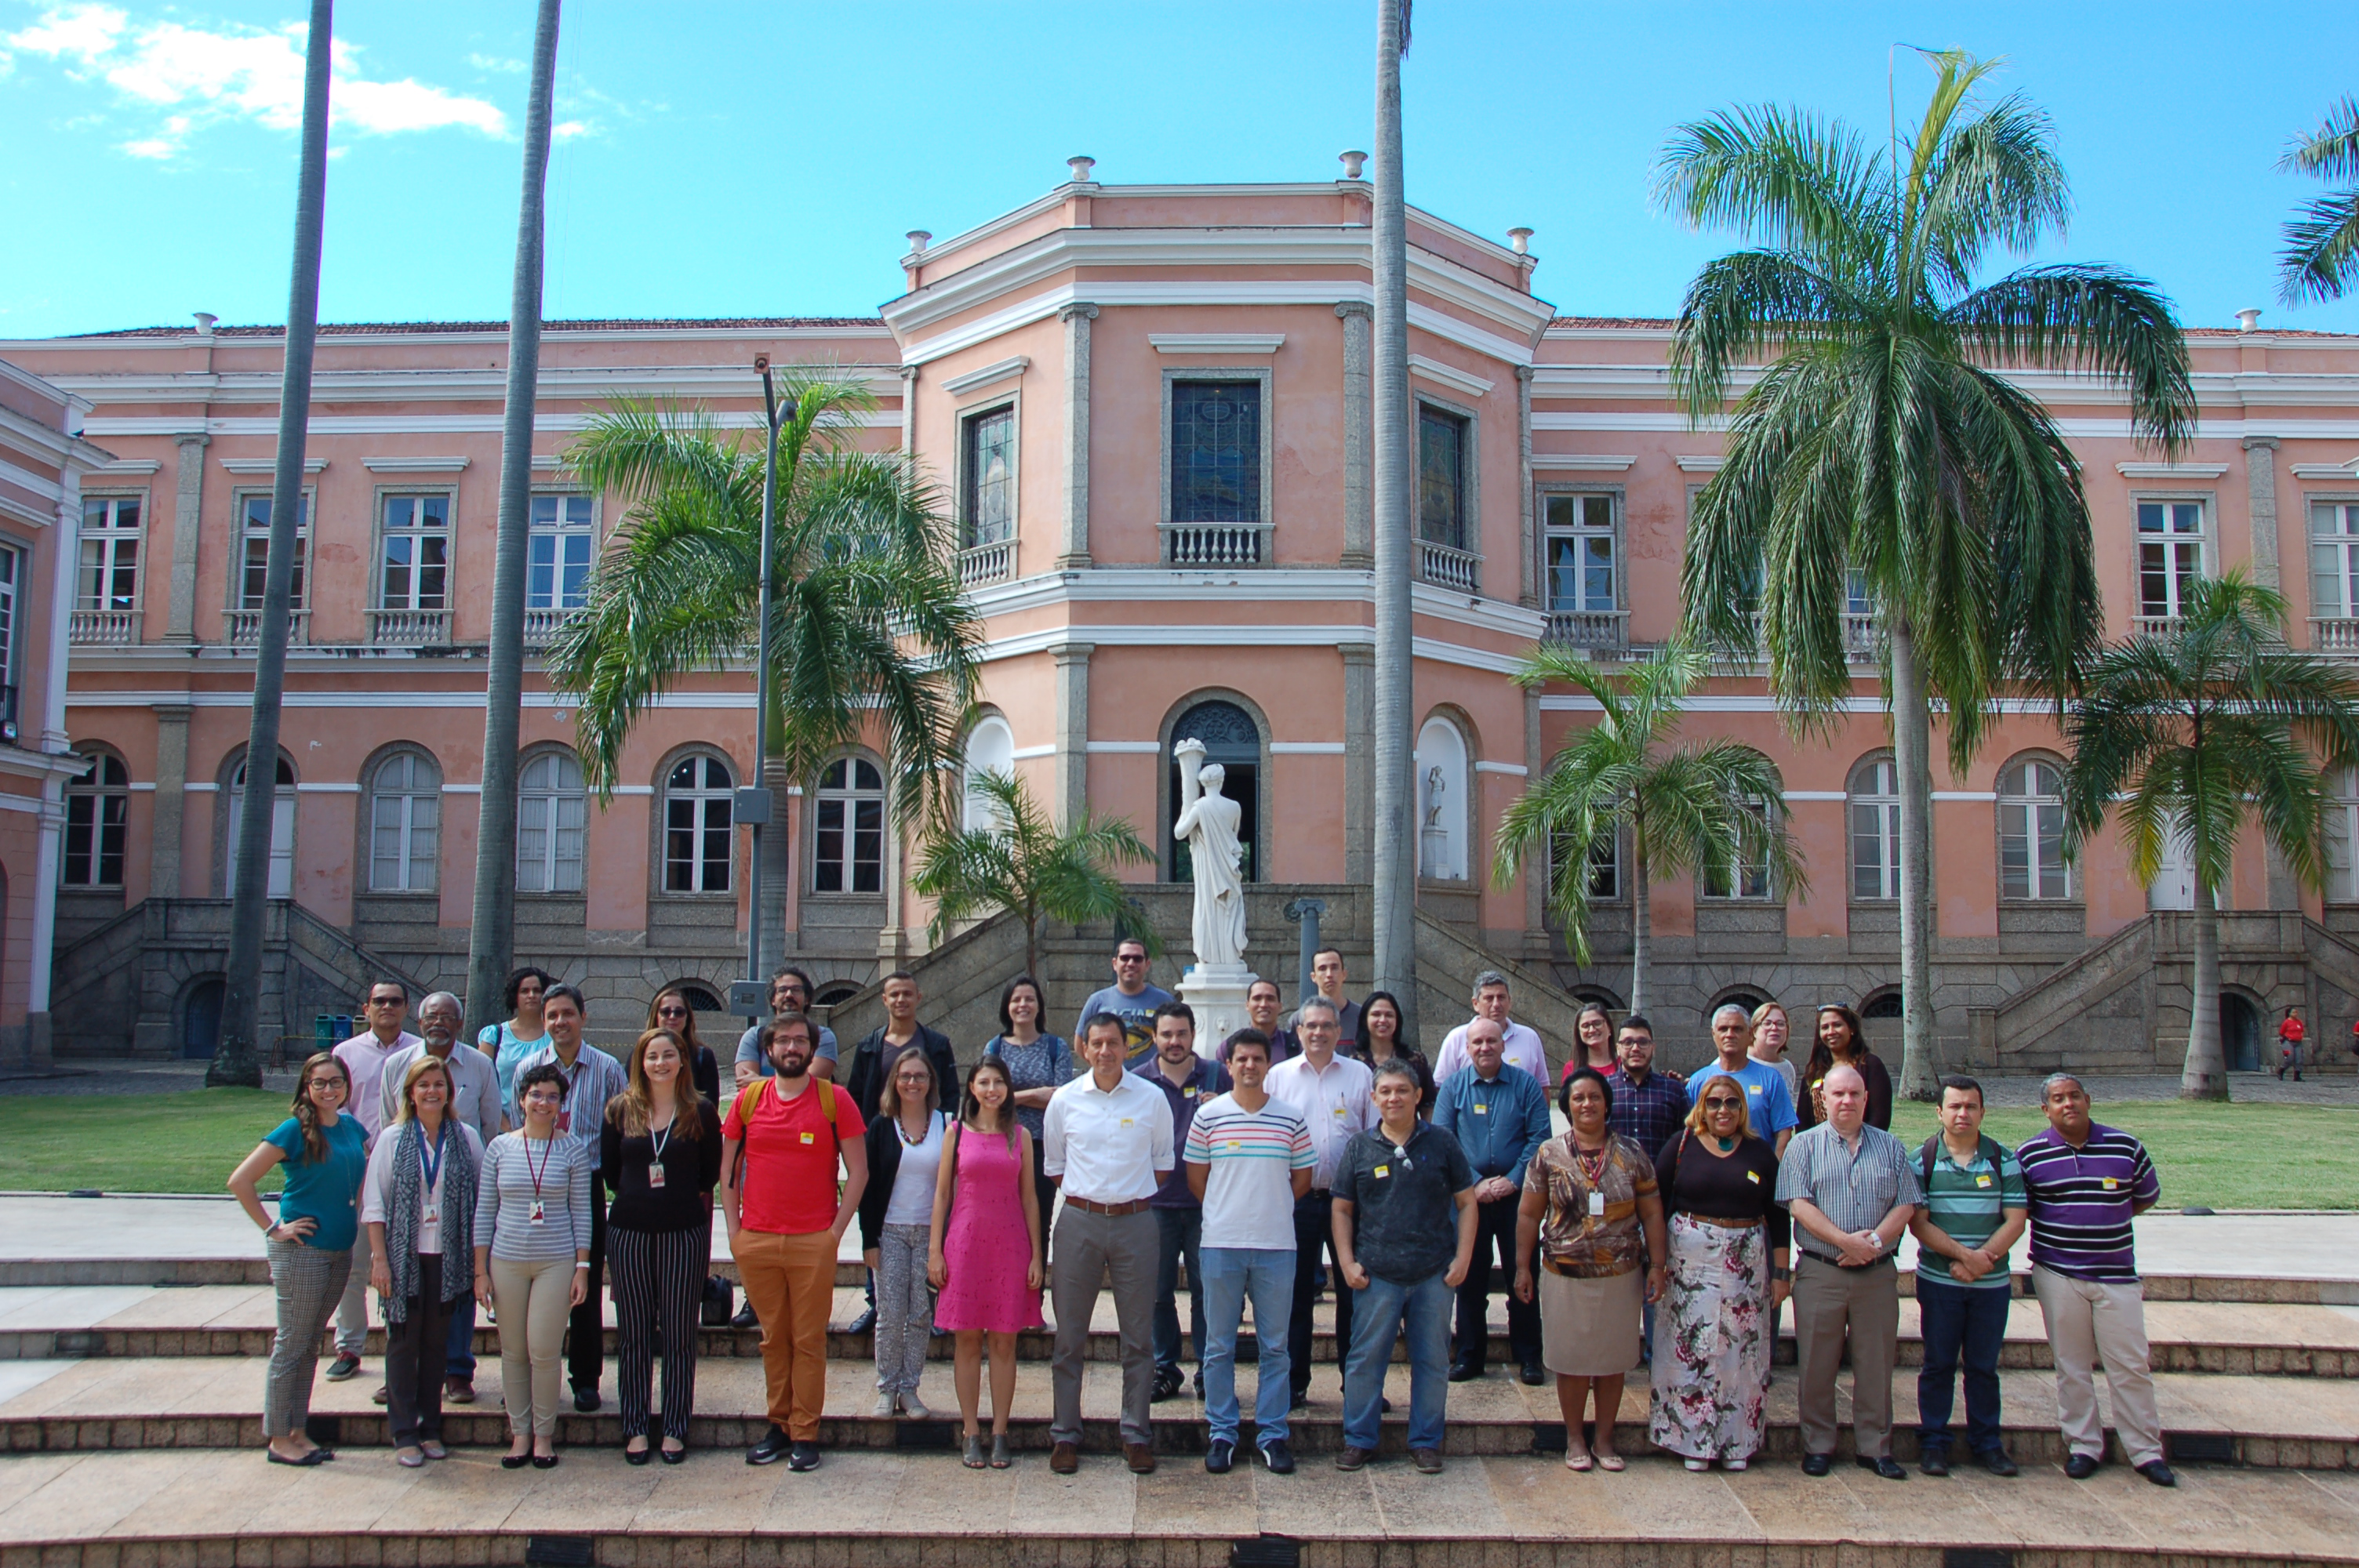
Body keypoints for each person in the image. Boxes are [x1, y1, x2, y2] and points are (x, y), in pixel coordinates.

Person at [722, 1013, 868, 1471]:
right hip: (758, 1239)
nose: (791, 1048)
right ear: (767, 1051)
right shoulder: (748, 1101)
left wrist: (834, 1235)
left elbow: (859, 1172)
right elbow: (728, 1174)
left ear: (812, 1049)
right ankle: (777, 1425)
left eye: (799, 1041)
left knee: (808, 1340)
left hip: (812, 1241)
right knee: (773, 1339)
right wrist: (734, 1233)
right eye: (782, 1041)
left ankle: (805, 1431)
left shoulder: (834, 1099)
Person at [2017, 1073, 2175, 1486]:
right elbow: (2025, 1209)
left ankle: (2145, 1450)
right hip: (2058, 1273)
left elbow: (2144, 1196)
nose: (2067, 1104)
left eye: (2074, 1096)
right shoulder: (2030, 1156)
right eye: (2057, 1099)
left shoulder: (2126, 1147)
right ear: (2045, 1109)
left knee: (2130, 1365)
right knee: (2072, 1366)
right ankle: (2083, 1445)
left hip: (2117, 1275)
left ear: (2088, 1100)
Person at [1513, 1068, 1667, 1472]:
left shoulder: (1632, 1153)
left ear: (1606, 1103)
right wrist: (1521, 1267)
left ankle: (1604, 1438)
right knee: (1572, 1360)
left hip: (1620, 1275)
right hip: (1565, 1274)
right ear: (1567, 1106)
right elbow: (1529, 1215)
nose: (1587, 1104)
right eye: (1578, 1098)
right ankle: (1575, 1438)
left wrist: (1659, 1265)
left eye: (1594, 1097)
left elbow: (1652, 1213)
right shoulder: (1549, 1154)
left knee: (1613, 1359)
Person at [1331, 1058, 1480, 1473]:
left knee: (1432, 1361)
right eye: (1385, 1091)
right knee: (1365, 1359)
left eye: (1402, 1090)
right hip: (1377, 1274)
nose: (1393, 1097)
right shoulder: (1360, 1147)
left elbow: (1467, 1203)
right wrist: (1346, 1262)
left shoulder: (1443, 1143)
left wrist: (1462, 1257)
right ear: (1374, 1098)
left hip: (1434, 1272)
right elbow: (1341, 1209)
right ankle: (1359, 1439)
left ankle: (1427, 1441)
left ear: (1418, 1096)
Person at [1776, 1062, 1922, 1481]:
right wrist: (1846, 1242)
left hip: (1875, 1274)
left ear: (1866, 1099)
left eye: (1854, 1094)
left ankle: (1875, 1446)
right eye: (1838, 1094)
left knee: (1875, 1363)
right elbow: (1798, 1204)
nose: (1847, 1101)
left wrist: (1872, 1244)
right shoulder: (1803, 1146)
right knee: (1817, 1364)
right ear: (1824, 1100)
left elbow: (1906, 1203)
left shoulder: (1891, 1147)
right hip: (1822, 1271)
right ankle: (1818, 1444)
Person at [1043, 1011, 1175, 1474]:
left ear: (1128, 1046)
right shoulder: (1064, 1100)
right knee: (1069, 1338)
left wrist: (1124, 1197)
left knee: (1139, 1338)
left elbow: (1162, 1165)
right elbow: (1056, 1165)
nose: (1105, 1052)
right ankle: (1065, 1434)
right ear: (1084, 1048)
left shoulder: (1151, 1099)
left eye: (1113, 1043)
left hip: (1136, 1223)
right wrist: (1092, 1199)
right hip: (1078, 1221)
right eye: (1096, 1043)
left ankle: (1136, 1433)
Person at [1184, 1027, 1314, 1475]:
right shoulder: (1209, 1116)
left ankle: (1272, 1433)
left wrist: (1267, 1208)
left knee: (1275, 1347)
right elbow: (1197, 1179)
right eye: (1242, 1059)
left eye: (1258, 1059)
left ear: (1267, 1064)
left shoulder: (1290, 1118)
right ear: (1230, 1064)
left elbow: (1302, 1180)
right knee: (1218, 1346)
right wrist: (1230, 1211)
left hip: (1276, 1245)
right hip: (1221, 1244)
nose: (1250, 1066)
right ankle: (1222, 1432)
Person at [227, 1052, 366, 1467]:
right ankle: (277, 1437)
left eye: (336, 1082)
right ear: (306, 1088)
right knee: (291, 1344)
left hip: (340, 1248)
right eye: (320, 1082)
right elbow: (240, 1181)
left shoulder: (353, 1128)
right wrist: (274, 1228)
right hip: (303, 1253)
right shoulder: (293, 1131)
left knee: (310, 1345)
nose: (329, 1089)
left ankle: (298, 1430)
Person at [1648, 1079, 1788, 1472]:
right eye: (1713, 1103)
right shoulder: (1681, 1145)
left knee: (1739, 1353)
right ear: (1702, 1107)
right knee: (1692, 1349)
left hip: (1746, 1261)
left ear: (1742, 1108)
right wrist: (1655, 1262)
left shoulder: (1761, 1154)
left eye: (1731, 1103)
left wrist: (1781, 1273)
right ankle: (1692, 1442)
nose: (1722, 1110)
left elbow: (1778, 1216)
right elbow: (1654, 1203)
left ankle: (1737, 1443)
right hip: (1690, 1262)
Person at [602, 1026, 722, 1465]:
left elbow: (708, 1173)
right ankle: (635, 1426)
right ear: (641, 1062)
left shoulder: (701, 1111)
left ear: (681, 1062)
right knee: (633, 1333)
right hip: (630, 1232)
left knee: (678, 1334)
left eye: (668, 1055)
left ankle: (674, 1427)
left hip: (682, 1232)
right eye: (652, 1056)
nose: (660, 1064)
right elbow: (612, 1174)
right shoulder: (620, 1110)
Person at [377, 991, 500, 1406]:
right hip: (410, 1205)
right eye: (431, 1015)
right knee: (406, 1295)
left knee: (459, 1291)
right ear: (419, 1019)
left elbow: (488, 1126)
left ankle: (458, 1370)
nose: (438, 1023)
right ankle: (402, 1371)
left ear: (460, 1023)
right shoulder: (397, 1065)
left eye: (447, 1016)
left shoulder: (480, 1065)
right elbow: (387, 1124)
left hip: (459, 1201)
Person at [362, 1054, 484, 1468]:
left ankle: (431, 1426)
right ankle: (403, 1431)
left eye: (439, 1084)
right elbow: (375, 1205)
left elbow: (483, 1199)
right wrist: (380, 1259)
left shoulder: (465, 1137)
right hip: (403, 1258)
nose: (432, 1091)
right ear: (410, 1094)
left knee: (436, 1345)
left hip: (448, 1259)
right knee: (402, 1344)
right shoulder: (393, 1139)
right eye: (424, 1085)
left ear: (449, 1091)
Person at [511, 984, 627, 1414]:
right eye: (552, 1015)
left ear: (582, 1017)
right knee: (531, 1286)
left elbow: (619, 1127)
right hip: (536, 1189)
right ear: (544, 1021)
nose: (560, 1022)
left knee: (585, 1284)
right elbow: (515, 1124)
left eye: (567, 1014)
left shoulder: (608, 1067)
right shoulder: (528, 1067)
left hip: (586, 1185)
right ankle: (527, 1377)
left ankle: (585, 1379)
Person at [473, 1061, 593, 1470]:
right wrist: (480, 1269)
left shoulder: (572, 1148)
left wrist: (583, 1267)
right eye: (536, 1095)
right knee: (514, 1351)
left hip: (555, 1261)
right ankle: (519, 1433)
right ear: (522, 1099)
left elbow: (582, 1212)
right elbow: (485, 1209)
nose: (544, 1102)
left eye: (553, 1096)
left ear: (563, 1103)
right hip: (506, 1260)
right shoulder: (500, 1148)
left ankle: (544, 1435)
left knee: (543, 1349)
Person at [1906, 1074, 2026, 1478]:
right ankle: (1935, 1443)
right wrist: (1963, 1257)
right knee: (1938, 1364)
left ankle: (1987, 1443)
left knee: (1983, 1367)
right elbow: (1919, 1223)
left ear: (1982, 1112)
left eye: (1970, 1106)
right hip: (1940, 1283)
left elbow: (2015, 1219)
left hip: (1990, 1286)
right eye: (1954, 1106)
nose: (1962, 1113)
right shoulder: (1920, 1159)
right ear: (1940, 1111)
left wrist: (1982, 1260)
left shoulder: (2003, 1159)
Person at [929, 1056, 1045, 1469]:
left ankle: (999, 1430)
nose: (992, 1089)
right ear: (972, 1089)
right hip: (965, 1243)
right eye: (984, 1082)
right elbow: (942, 1195)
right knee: (966, 1339)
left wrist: (1036, 1255)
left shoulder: (1021, 1138)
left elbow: (1031, 1197)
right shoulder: (955, 1133)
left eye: (999, 1082)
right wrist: (935, 1249)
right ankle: (969, 1430)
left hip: (1010, 1245)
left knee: (1003, 1340)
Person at [1263, 995, 1376, 1405]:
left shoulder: (1361, 1076)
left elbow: (1374, 1137)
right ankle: (1293, 1384)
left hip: (1350, 1203)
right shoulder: (1278, 1078)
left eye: (1327, 1025)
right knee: (1293, 1296)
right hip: (1296, 1201)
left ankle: (1356, 1383)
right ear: (1298, 1032)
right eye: (1311, 1026)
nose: (1319, 1032)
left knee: (1355, 1295)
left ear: (1339, 1031)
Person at [1432, 1016, 1550, 1386]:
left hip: (1518, 1199)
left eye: (1492, 1041)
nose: (1485, 1048)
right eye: (1477, 1042)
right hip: (1470, 1201)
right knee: (1470, 1280)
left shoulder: (1526, 1085)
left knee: (1523, 1275)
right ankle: (1469, 1356)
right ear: (1467, 1048)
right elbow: (1443, 1141)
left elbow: (1539, 1138)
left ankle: (1529, 1356)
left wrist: (1513, 1181)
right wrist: (1476, 1183)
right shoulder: (1453, 1088)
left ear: (1503, 1045)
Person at [842, 971, 959, 1335]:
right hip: (880, 1143)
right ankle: (874, 1303)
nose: (901, 1000)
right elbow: (856, 1095)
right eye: (894, 994)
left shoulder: (936, 1044)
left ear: (919, 997)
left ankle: (934, 1306)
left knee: (932, 1215)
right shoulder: (869, 1046)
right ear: (884, 999)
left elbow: (952, 1095)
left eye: (907, 993)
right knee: (877, 1215)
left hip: (927, 1137)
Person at [1129, 1001, 1230, 1400]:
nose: (1174, 1041)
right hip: (1155, 1204)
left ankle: (1209, 1368)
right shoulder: (1138, 1082)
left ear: (1193, 1034)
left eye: (1182, 1033)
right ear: (1155, 1037)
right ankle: (1165, 1368)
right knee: (1157, 1291)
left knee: (1209, 1291)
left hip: (1208, 1203)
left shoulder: (1219, 1077)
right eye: (1167, 1034)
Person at [328, 980, 421, 1388]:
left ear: (406, 1008)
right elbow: (334, 1110)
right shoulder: (345, 1054)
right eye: (379, 1001)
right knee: (355, 1263)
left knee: (406, 1265)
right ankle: (349, 1346)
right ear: (365, 1008)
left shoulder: (419, 1051)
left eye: (395, 1001)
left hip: (411, 1171)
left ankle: (402, 1354)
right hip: (360, 1169)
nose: (387, 1007)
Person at [858, 1046, 947, 1419]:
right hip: (890, 1230)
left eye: (920, 1076)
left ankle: (910, 1388)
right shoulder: (881, 1126)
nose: (913, 1082)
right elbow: (866, 1186)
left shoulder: (945, 1123)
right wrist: (869, 1241)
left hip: (930, 1232)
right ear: (895, 1081)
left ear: (931, 1082)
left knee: (920, 1316)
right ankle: (887, 1387)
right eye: (906, 1076)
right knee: (890, 1314)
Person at [980, 974, 1070, 1265]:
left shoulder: (1056, 1048)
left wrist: (1008, 1095)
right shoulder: (995, 1048)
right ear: (1007, 1005)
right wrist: (1035, 1094)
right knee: (1000, 1220)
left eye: (1029, 999)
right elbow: (984, 1098)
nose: (1023, 1005)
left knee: (1038, 1223)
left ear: (1039, 1005)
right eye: (1016, 999)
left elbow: (1060, 1100)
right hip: (1001, 1145)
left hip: (1042, 1148)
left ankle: (1033, 1297)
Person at [1687, 1004, 1798, 1156]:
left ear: (1750, 1033)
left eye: (1737, 1029)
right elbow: (1688, 1131)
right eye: (1723, 1029)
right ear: (1714, 1034)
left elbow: (1783, 1133)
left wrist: (1775, 1173)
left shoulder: (1771, 1078)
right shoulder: (1698, 1081)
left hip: (1758, 1171)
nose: (1730, 1034)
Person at [1433, 971, 1548, 1083]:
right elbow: (1441, 1088)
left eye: (1501, 997)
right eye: (1489, 998)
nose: (1496, 1004)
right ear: (1475, 1003)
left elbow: (1542, 1089)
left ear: (1510, 1001)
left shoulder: (1529, 1037)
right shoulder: (1456, 1039)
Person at [734, 967, 841, 1086]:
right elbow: (746, 1086)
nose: (789, 995)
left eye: (796, 990)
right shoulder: (754, 1037)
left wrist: (759, 1081)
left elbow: (813, 1084)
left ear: (807, 999)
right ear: (773, 1000)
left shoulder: (823, 1037)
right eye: (782, 990)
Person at [1601, 1014, 1687, 1162]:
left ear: (1653, 1047)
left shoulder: (1673, 1090)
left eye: (1643, 1042)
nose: (1636, 1048)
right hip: (1613, 1181)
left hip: (1661, 1181)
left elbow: (1688, 1140)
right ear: (1618, 1048)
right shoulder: (1602, 1089)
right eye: (1628, 1042)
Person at [1798, 1004, 1894, 1131]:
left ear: (1852, 1029)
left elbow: (1880, 1119)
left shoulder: (1870, 1066)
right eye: (1825, 1027)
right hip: (1819, 1148)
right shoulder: (1814, 1071)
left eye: (1837, 1025)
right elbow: (1803, 1122)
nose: (1831, 1032)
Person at [1074, 936, 1176, 1053]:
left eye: (1137, 959)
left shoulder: (1165, 1001)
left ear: (1147, 964)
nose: (1131, 964)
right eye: (1125, 958)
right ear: (1115, 964)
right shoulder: (1097, 1001)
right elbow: (1080, 1043)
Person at [479, 966, 554, 1123]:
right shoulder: (494, 1036)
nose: (531, 995)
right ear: (515, 996)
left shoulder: (555, 1036)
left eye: (537, 990)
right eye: (524, 991)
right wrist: (505, 1127)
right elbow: (481, 1086)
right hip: (501, 1127)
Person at [1350, 989, 1430, 1116]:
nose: (1383, 1020)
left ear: (1397, 1020)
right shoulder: (1353, 1063)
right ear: (1365, 1020)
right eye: (1376, 1014)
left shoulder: (1415, 1060)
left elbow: (1428, 1104)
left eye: (1389, 1015)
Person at [646, 987, 723, 1105]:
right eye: (666, 1012)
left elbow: (710, 1106)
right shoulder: (639, 1053)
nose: (672, 1016)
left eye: (679, 1012)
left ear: (688, 1017)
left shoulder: (703, 1056)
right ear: (656, 1016)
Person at [1304, 947, 1361, 1051]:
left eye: (1334, 968)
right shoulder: (1300, 1019)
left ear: (1344, 974)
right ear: (1313, 977)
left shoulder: (1362, 1017)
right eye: (1322, 969)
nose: (1329, 974)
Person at [1747, 1000, 1800, 1108]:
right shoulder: (1737, 1061)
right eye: (1767, 1023)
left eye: (1780, 1024)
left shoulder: (1787, 1068)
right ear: (1754, 1030)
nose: (1774, 1028)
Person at [1233, 978, 1296, 1064]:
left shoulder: (1296, 1046)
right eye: (1257, 998)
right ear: (1247, 1005)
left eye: (1270, 999)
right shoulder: (1230, 1047)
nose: (1263, 1005)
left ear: (1280, 1006)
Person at [1567, 1001, 1616, 1076]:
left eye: (1597, 1023)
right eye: (1585, 1026)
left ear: (1609, 1027)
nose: (1592, 1030)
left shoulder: (1624, 1065)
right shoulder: (1571, 1068)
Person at [2278, 1006, 2306, 1080]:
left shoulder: (2299, 1022)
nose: (2295, 1014)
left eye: (2296, 1012)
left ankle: (2297, 1075)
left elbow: (2302, 1030)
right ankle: (2281, 1070)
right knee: (2290, 1058)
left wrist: (2301, 1037)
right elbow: (2281, 1032)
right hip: (2289, 1041)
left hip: (2298, 1042)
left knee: (2299, 1059)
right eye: (2293, 1012)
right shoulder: (2286, 1022)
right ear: (2289, 1013)